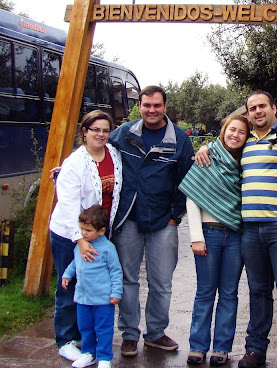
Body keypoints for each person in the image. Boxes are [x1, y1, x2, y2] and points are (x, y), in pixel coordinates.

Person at [196, 91, 277, 368]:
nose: (257, 111)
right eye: (252, 108)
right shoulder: (247, 142)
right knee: (258, 292)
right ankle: (255, 351)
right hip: (251, 231)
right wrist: (204, 148)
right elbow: (222, 151)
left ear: (274, 108)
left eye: (262, 106)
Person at [109, 85, 194, 358]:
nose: (151, 110)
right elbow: (96, 151)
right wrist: (69, 166)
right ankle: (130, 334)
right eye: (146, 105)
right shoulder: (123, 134)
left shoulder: (179, 139)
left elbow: (187, 180)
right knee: (127, 279)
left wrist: (174, 216)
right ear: (140, 106)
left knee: (161, 282)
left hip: (162, 221)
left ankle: (156, 333)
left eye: (157, 105)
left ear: (165, 107)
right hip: (129, 218)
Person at [49, 110, 122, 362]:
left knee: (91, 285)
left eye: (105, 130)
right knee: (69, 284)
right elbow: (68, 204)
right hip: (69, 234)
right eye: (95, 130)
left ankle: (86, 340)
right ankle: (65, 340)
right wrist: (79, 240)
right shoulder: (75, 162)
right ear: (85, 132)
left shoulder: (113, 153)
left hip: (98, 234)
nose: (101, 135)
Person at [179, 115, 251, 366]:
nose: (236, 135)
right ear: (224, 131)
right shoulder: (206, 157)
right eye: (232, 129)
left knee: (229, 293)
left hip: (235, 235)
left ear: (246, 137)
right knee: (205, 292)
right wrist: (196, 237)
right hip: (208, 235)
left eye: (242, 132)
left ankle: (222, 348)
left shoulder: (247, 162)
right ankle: (197, 346)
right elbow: (193, 199)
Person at [62, 205, 123, 368]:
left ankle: (104, 357)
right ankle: (88, 353)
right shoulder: (80, 245)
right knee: (85, 328)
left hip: (103, 300)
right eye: (81, 229)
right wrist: (67, 274)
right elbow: (75, 262)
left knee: (103, 329)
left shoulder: (108, 249)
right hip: (83, 298)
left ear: (101, 231)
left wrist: (116, 292)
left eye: (87, 230)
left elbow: (116, 271)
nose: (83, 233)